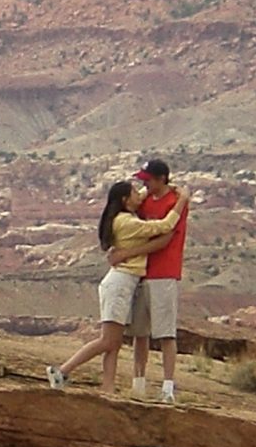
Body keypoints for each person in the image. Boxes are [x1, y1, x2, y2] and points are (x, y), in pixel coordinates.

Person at [47, 178, 185, 394]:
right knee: (107, 340)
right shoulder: (127, 222)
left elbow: (139, 195)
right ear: (125, 200)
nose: (140, 194)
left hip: (122, 284)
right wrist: (182, 200)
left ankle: (108, 387)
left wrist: (154, 186)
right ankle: (62, 370)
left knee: (114, 342)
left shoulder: (122, 216)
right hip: (120, 284)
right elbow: (165, 226)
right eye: (134, 192)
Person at [126, 159, 190, 403]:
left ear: (160, 178)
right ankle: (138, 383)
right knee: (139, 332)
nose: (145, 183)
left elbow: (165, 237)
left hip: (164, 272)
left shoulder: (174, 203)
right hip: (142, 271)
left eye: (148, 179)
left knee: (165, 333)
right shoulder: (147, 201)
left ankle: (167, 387)